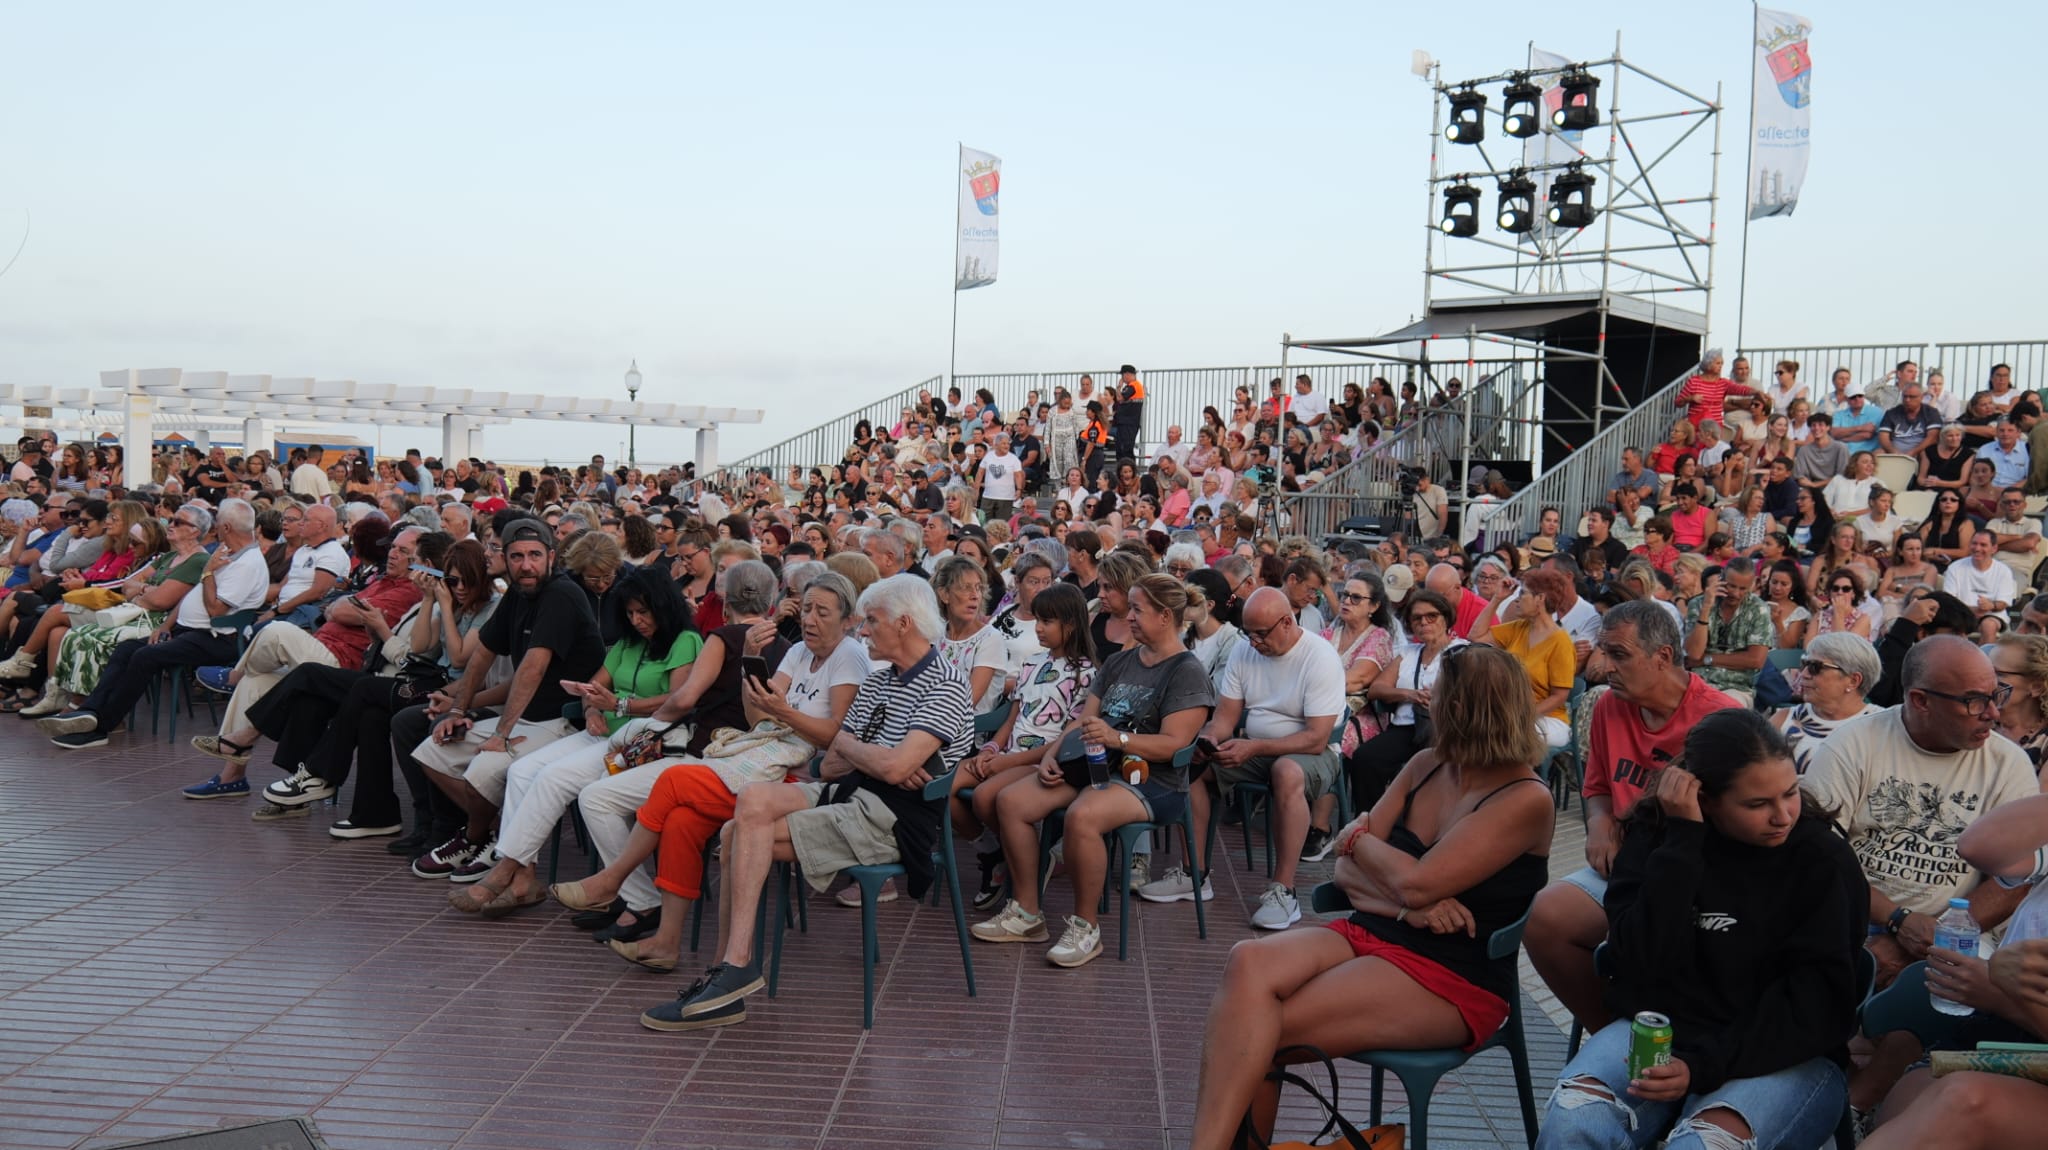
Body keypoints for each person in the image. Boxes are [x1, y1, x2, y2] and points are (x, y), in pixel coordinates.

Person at [1189, 644, 1554, 1150]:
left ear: (1465, 708)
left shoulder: (1525, 798)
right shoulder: (1426, 764)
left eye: (1439, 697)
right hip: (1376, 928)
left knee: (1259, 1033)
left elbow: (1413, 878)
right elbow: (1345, 871)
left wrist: (1363, 841)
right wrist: (1405, 906)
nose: (1427, 704)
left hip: (1450, 972)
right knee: (1248, 960)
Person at [637, 575, 974, 1031]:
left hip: (894, 820)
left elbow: (889, 771)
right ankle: (731, 969)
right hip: (850, 793)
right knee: (751, 802)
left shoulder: (946, 684)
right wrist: (874, 756)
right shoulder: (878, 683)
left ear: (905, 624)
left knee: (737, 831)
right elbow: (830, 765)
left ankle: (730, 969)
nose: (863, 631)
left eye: (872, 622)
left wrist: (866, 753)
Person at [1536, 709, 1868, 1150]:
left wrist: (1702, 1068)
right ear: (1703, 799)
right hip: (1666, 1032)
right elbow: (1637, 965)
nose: (1783, 816)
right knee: (1573, 1120)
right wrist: (1683, 844)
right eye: (1756, 804)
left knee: (1703, 1145)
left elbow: (1817, 1010)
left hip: (1786, 1053)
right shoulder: (1657, 838)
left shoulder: (1821, 862)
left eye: (1790, 793)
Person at [548, 572, 866, 970]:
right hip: (760, 754)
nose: (810, 619)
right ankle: (666, 943)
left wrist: (783, 712)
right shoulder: (799, 651)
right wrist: (752, 663)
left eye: (822, 612)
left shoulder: (850, 655)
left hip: (798, 779)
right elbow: (756, 718)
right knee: (681, 820)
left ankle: (612, 879)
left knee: (673, 779)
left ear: (848, 619)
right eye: (805, 609)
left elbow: (836, 733)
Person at [1805, 635, 2040, 1111]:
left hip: (1955, 927)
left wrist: (1939, 930)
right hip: (1851, 909)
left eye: (1997, 695)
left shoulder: (2006, 762)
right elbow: (1816, 857)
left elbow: (2016, 881)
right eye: (1974, 701)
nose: (1993, 714)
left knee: (1945, 981)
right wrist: (1895, 922)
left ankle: (1853, 1107)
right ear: (1919, 700)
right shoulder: (1856, 743)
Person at [1525, 601, 1740, 1032]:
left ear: (1662, 656)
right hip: (1624, 864)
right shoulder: (1610, 705)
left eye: (1619, 654)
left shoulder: (1719, 720)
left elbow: (1734, 823)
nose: (1604, 666)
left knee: (1667, 946)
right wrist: (1600, 823)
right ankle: (1610, 1033)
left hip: (1692, 873)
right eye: (1603, 652)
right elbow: (1599, 784)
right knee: (1543, 919)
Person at [441, 565, 703, 915]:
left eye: (643, 611)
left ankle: (505, 868)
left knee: (553, 778)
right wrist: (592, 709)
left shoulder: (685, 641)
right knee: (521, 771)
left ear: (663, 606)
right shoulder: (627, 643)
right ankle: (523, 876)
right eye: (630, 613)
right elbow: (594, 687)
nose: (637, 620)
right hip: (605, 733)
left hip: (645, 741)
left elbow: (678, 698)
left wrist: (620, 704)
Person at [403, 519, 607, 877]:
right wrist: (458, 709)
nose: (525, 564)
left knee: (482, 768)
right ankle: (496, 835)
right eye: (516, 556)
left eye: (534, 555)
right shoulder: (518, 592)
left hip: (561, 720)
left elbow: (533, 666)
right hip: (526, 718)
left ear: (551, 557)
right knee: (433, 750)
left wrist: (500, 733)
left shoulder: (561, 594)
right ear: (505, 559)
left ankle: (477, 838)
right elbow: (482, 653)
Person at [40, 499, 271, 752]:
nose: (214, 530)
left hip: (217, 638)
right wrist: (167, 626)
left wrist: (207, 573)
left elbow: (215, 609)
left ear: (226, 527)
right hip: (187, 630)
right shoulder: (229, 553)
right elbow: (189, 598)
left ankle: (102, 726)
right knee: (127, 649)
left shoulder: (247, 564)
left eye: (217, 525)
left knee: (145, 656)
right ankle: (90, 711)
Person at [1191, 587, 1346, 930]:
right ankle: (1194, 873)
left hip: (1311, 754)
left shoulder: (1319, 656)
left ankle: (1283, 890)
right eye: (1248, 633)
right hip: (1258, 747)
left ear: (1288, 622)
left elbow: (1316, 738)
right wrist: (1211, 738)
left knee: (1287, 771)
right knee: (1192, 766)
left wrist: (1254, 747)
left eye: (1261, 633)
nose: (1254, 642)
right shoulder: (1245, 652)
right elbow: (1225, 717)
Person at [955, 582, 1097, 909]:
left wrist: (1006, 763)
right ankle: (996, 854)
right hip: (1008, 753)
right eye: (1038, 620)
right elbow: (1012, 719)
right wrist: (992, 749)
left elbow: (1066, 739)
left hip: (1042, 759)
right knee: (943, 786)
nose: (1039, 628)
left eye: (1047, 622)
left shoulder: (1086, 674)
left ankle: (1023, 870)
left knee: (985, 796)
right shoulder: (1033, 662)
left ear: (1071, 624)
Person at [1352, 590, 1466, 810]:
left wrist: (1441, 698)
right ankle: (1371, 819)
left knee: (1438, 764)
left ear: (1445, 618)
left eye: (1431, 616)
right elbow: (1376, 689)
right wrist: (1410, 695)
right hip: (1406, 727)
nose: (1424, 622)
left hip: (1446, 727)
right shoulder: (1407, 653)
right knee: (1365, 758)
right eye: (1417, 618)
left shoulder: (1463, 651)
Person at [1469, 566, 1575, 748]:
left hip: (1546, 718)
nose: (1516, 600)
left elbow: (1559, 697)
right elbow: (1476, 636)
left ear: (1540, 598)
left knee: (1499, 733)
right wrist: (1497, 599)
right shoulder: (1519, 627)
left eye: (1523, 594)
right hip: (1510, 712)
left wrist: (1521, 716)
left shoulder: (1560, 641)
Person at [1775, 631, 1882, 774]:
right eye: (1804, 664)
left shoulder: (1884, 726)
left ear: (1853, 681)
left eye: (1815, 667)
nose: (1804, 674)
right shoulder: (1783, 720)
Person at [1682, 558, 1772, 705]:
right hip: (1697, 682)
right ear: (1721, 579)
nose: (1736, 593)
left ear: (1753, 584)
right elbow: (1694, 653)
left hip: (1736, 687)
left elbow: (1756, 660)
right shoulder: (1698, 604)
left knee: (1721, 709)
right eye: (1732, 586)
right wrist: (1706, 608)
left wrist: (1707, 659)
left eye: (1743, 589)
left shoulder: (1758, 609)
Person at [1943, 530, 2019, 640]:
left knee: (1988, 626)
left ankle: (1984, 656)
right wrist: (1971, 610)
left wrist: (1991, 606)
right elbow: (1948, 600)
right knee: (1956, 626)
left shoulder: (2003, 571)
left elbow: (2003, 603)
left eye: (1983, 545)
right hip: (1961, 613)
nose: (1977, 548)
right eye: (1974, 543)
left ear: (1994, 549)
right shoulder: (1955, 568)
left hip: (1992, 615)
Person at [1993, 632, 2048, 771]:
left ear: (2036, 687)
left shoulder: (2044, 742)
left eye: (1998, 673)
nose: (1985, 679)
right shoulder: (1974, 723)